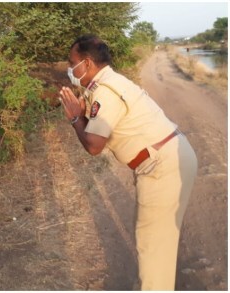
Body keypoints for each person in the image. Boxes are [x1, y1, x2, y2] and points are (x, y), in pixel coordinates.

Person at [58, 34, 197, 290]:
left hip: (162, 165)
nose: (70, 69)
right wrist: (81, 116)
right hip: (165, 159)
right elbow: (97, 131)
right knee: (156, 239)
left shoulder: (106, 91)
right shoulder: (107, 83)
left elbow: (94, 146)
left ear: (87, 64)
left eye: (72, 62)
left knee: (152, 243)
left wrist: (75, 119)